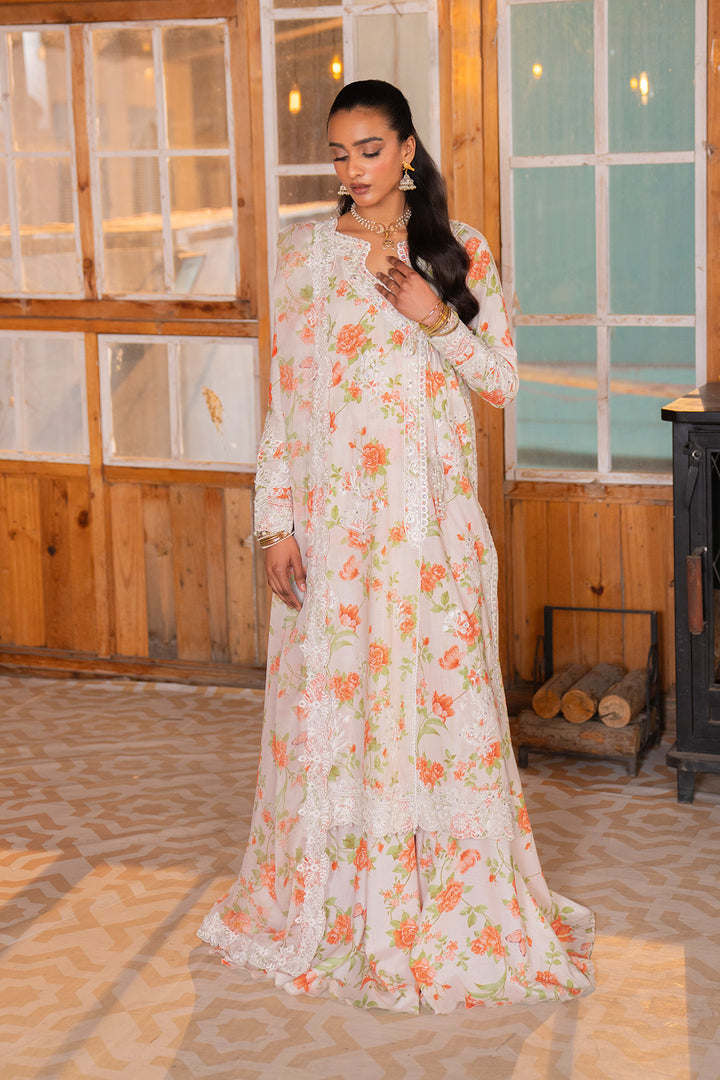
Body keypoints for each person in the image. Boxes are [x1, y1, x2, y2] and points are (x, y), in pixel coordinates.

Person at [198, 79, 594, 1013]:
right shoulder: (303, 255)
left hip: (428, 530)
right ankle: (335, 904)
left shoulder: (459, 250)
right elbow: (285, 402)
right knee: (335, 722)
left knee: (437, 715)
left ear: (408, 150)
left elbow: (499, 382)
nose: (354, 170)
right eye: (339, 154)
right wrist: (275, 522)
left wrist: (433, 313)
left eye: (370, 150)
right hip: (334, 536)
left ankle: (443, 904)